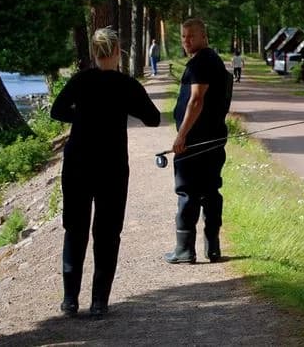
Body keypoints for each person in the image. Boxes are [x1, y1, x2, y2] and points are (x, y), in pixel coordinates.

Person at [51, 28, 161, 318]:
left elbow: (56, 111)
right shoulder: (127, 85)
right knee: (108, 231)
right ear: (116, 53)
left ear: (94, 53)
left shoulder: (80, 80)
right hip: (111, 165)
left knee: (75, 227)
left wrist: (83, 117)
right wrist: (122, 109)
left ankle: (69, 300)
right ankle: (99, 301)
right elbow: (153, 119)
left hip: (77, 163)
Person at [165, 18, 231, 265]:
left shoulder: (202, 62)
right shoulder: (211, 60)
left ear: (204, 35)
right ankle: (212, 248)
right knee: (210, 191)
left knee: (188, 192)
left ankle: (184, 250)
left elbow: (196, 100)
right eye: (183, 37)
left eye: (190, 36)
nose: (186, 41)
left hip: (195, 143)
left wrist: (181, 135)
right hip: (213, 140)